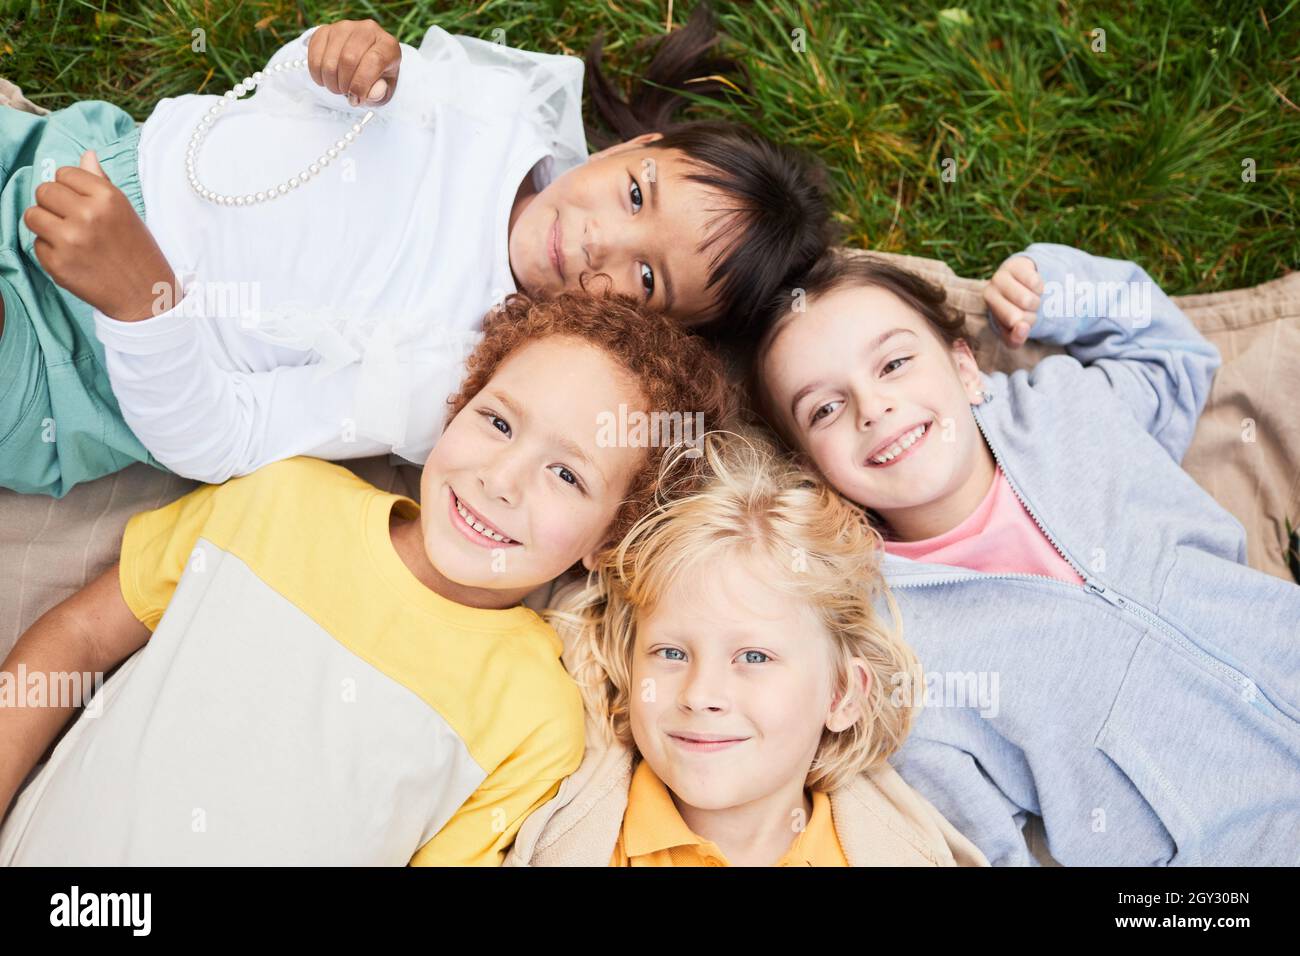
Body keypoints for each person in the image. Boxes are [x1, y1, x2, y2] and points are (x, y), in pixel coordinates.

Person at [0, 289, 735, 864]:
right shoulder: (282, 499)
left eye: (567, 473)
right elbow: (83, 634)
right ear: (458, 405)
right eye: (499, 422)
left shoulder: (534, 712)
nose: (502, 480)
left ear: (608, 540)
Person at [0, 4, 830, 495]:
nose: (596, 241)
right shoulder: (487, 107)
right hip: (70, 161)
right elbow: (280, 110)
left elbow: (220, 441)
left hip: (69, 365)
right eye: (637, 193)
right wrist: (324, 59)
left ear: (656, 330)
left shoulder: (461, 373)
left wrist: (144, 303)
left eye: (647, 279)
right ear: (629, 148)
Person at [749, 244, 1300, 865]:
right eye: (825, 408)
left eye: (895, 363)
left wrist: (1055, 291)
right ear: (809, 468)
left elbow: (1175, 357)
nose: (873, 408)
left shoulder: (1064, 409)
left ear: (964, 367)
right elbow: (983, 845)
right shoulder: (893, 645)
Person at [506, 428, 988, 867]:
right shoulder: (574, 833)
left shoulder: (899, 853)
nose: (700, 694)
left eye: (754, 657)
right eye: (671, 653)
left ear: (841, 695)